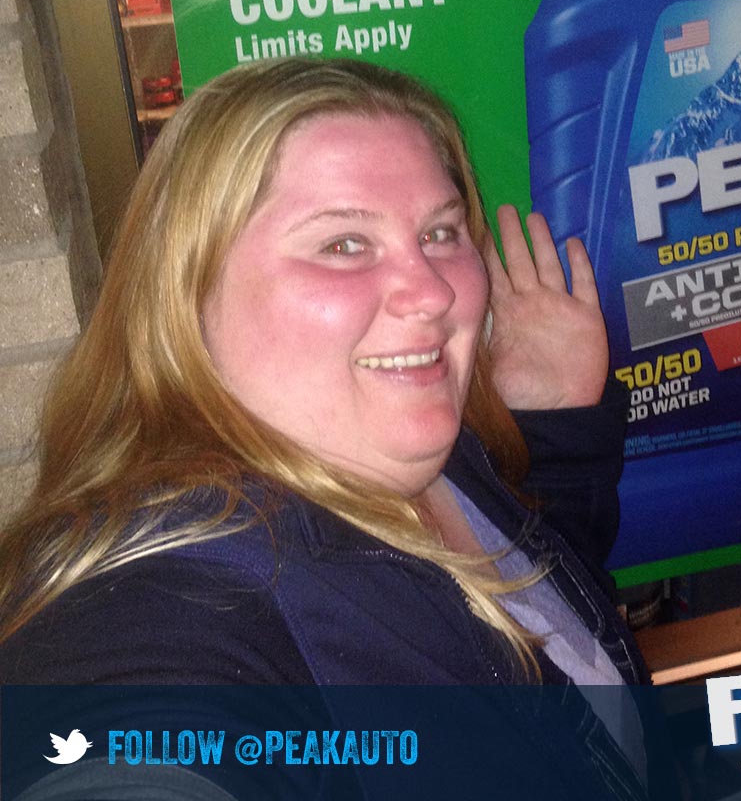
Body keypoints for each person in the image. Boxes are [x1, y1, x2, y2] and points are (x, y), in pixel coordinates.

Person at [0, 58, 651, 798]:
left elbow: (520, 635)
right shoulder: (174, 592)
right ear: (187, 291)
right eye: (343, 244)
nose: (433, 291)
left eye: (440, 232)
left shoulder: (424, 458)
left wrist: (555, 429)